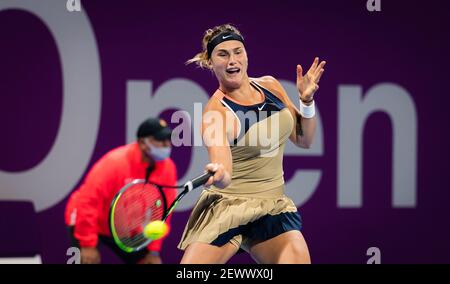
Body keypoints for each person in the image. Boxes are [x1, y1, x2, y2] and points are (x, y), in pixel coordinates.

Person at [178, 24, 326, 264]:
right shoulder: (215, 113)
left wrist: (306, 101)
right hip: (228, 209)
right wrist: (219, 172)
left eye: (238, 51)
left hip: (271, 207)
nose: (232, 60)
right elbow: (224, 171)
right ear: (210, 62)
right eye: (222, 54)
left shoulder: (270, 86)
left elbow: (304, 139)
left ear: (246, 55)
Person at [65, 117, 177, 264]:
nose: (167, 145)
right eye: (161, 140)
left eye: (168, 140)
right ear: (143, 143)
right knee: (88, 260)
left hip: (124, 227)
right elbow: (87, 202)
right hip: (87, 220)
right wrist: (87, 245)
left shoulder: (167, 168)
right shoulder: (115, 163)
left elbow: (164, 213)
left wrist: (153, 250)